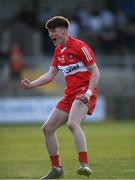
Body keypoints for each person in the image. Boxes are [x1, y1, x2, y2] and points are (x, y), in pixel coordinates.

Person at [21, 16, 100, 179]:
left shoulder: (80, 47)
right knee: (47, 128)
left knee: (72, 123)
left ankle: (84, 164)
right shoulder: (58, 50)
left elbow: (96, 72)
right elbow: (50, 75)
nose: (50, 35)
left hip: (84, 93)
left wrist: (88, 93)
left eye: (53, 31)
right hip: (70, 95)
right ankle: (57, 169)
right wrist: (32, 84)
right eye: (49, 32)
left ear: (63, 31)